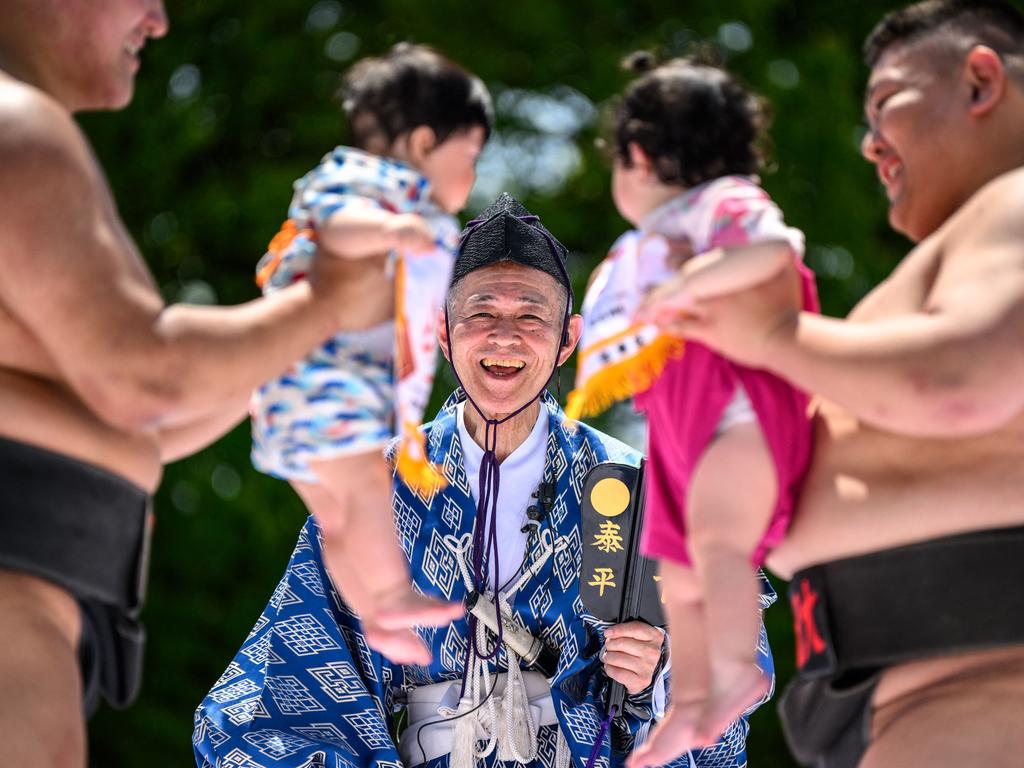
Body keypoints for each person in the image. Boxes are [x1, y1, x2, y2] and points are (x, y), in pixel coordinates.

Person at [193, 194, 773, 768]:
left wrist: (657, 675)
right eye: (480, 314)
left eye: (530, 316)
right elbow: (288, 677)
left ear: (568, 338)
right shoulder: (379, 483)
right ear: (443, 333)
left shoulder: (640, 487)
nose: (504, 336)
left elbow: (732, 672)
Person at [0, 1, 392, 765]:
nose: (157, 19)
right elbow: (143, 379)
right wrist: (333, 296)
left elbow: (131, 422)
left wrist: (286, 345)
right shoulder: (17, 126)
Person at [638, 2, 1024, 766]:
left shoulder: (1014, 203)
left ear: (981, 82)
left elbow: (959, 382)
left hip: (985, 682)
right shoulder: (941, 263)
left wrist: (778, 336)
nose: (870, 143)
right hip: (902, 693)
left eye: (885, 104)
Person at [565, 54, 815, 767]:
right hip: (690, 432)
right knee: (676, 571)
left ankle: (735, 668)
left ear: (639, 156)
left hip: (742, 420)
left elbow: (773, 250)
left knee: (717, 546)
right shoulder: (651, 241)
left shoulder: (722, 206)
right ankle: (692, 698)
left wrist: (691, 282)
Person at [250, 43, 492, 665]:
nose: (473, 176)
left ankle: (373, 617)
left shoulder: (399, 200)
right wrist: (392, 231)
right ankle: (389, 593)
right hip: (325, 376)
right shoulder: (373, 187)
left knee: (336, 518)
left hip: (293, 386)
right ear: (420, 145)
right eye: (470, 155)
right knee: (365, 487)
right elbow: (336, 225)